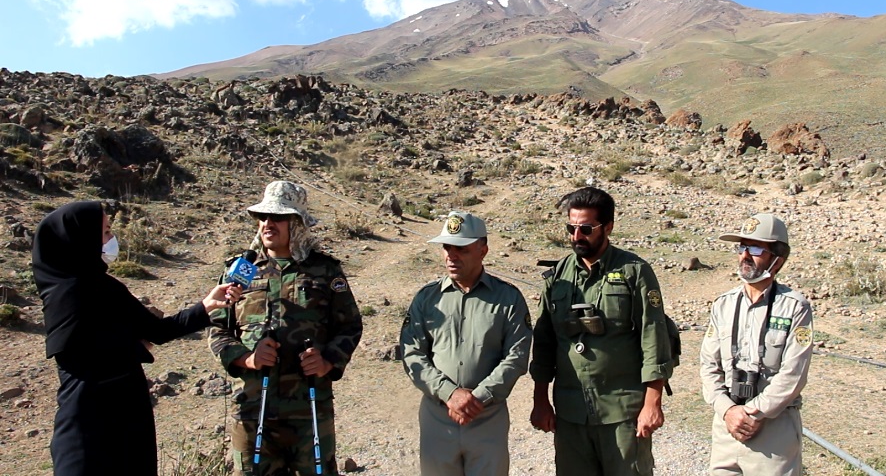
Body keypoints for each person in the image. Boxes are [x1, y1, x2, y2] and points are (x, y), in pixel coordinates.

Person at [33, 200, 240, 476]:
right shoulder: (67, 294)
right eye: (105, 232)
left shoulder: (106, 287)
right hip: (90, 422)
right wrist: (133, 348)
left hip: (127, 414)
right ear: (81, 238)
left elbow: (156, 331)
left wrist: (206, 306)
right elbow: (82, 359)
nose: (112, 239)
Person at [208, 180, 362, 476]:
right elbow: (217, 328)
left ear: (297, 223)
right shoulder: (239, 270)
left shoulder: (325, 270)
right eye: (263, 217)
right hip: (253, 411)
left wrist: (327, 360)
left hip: (310, 411)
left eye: (278, 217)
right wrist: (246, 358)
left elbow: (350, 326)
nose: (268, 224)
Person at [529, 187, 673, 476]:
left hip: (622, 411)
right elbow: (544, 342)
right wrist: (540, 400)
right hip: (571, 412)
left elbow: (653, 336)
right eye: (571, 228)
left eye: (586, 229)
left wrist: (652, 403)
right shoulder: (557, 277)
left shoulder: (634, 272)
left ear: (608, 227)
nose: (576, 237)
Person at [400, 211, 532, 476]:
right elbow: (412, 353)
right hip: (438, 417)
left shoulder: (508, 299)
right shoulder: (427, 299)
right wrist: (450, 393)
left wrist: (477, 397)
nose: (451, 255)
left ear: (483, 250)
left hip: (487, 418)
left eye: (461, 248)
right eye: (447, 247)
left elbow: (516, 357)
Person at [699, 213, 813, 475]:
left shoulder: (795, 308)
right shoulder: (723, 305)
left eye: (756, 248)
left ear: (777, 259)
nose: (745, 256)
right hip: (727, 427)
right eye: (742, 247)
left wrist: (754, 412)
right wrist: (727, 410)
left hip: (772, 430)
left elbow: (793, 373)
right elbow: (708, 365)